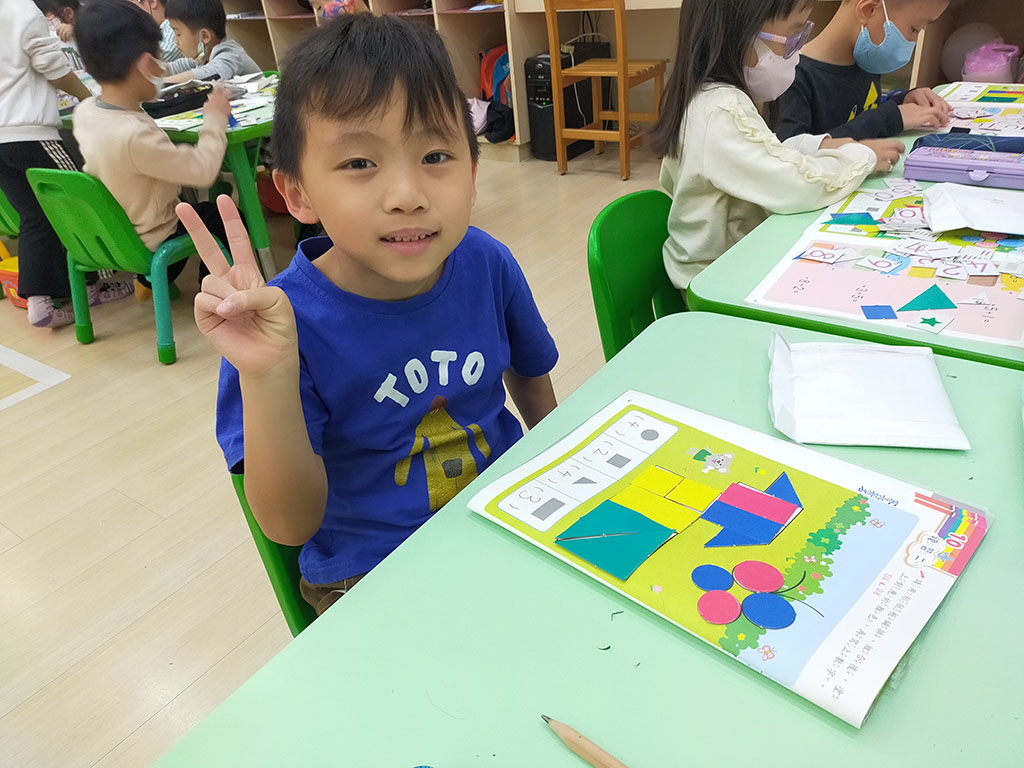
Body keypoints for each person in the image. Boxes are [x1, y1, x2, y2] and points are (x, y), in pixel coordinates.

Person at [178, 14, 559, 616]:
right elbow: (289, 526)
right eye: (359, 163)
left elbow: (532, 378)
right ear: (297, 193)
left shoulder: (486, 262)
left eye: (436, 154)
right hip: (373, 574)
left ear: (472, 174)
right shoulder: (278, 327)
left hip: (502, 518)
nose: (407, 195)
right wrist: (269, 374)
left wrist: (557, 474)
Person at [647, 0, 904, 292]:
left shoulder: (710, 99)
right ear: (742, 35)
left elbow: (766, 155)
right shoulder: (721, 111)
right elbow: (796, 186)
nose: (797, 52)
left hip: (731, 264)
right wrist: (861, 158)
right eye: (793, 37)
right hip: (714, 282)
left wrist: (821, 146)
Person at [73, 0, 233, 298]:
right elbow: (203, 171)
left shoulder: (85, 112)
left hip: (115, 235)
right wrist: (215, 119)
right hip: (153, 240)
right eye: (160, 60)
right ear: (147, 65)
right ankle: (217, 297)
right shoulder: (133, 135)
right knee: (225, 216)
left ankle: (150, 286)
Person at [0, 0, 131, 327]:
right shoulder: (21, 10)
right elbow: (52, 66)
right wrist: (91, 100)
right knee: (83, 204)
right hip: (28, 131)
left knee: (35, 216)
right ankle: (94, 285)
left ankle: (39, 304)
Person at [777, 0, 952, 142]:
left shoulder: (866, 61)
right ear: (869, 10)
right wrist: (891, 118)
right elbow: (792, 156)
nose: (914, 40)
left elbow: (864, 113)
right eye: (915, 29)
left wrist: (903, 101)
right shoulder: (792, 79)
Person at [163, 0, 260, 83]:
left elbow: (208, 75)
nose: (175, 41)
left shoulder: (231, 54)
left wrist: (160, 84)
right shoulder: (202, 56)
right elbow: (171, 68)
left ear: (204, 36)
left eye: (178, 34)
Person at [137, 0, 193, 66]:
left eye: (139, 2)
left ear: (153, 2)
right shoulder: (159, 29)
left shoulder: (174, 27)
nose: (136, 9)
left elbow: (155, 59)